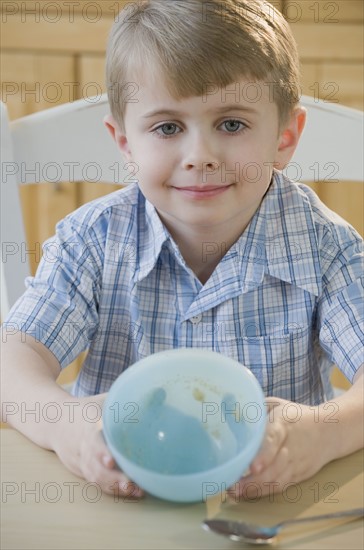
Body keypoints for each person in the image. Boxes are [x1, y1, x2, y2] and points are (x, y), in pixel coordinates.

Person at [1, 0, 363, 501]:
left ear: (285, 137)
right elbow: (12, 360)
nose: (200, 158)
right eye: (168, 128)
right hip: (118, 506)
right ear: (125, 143)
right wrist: (65, 426)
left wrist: (326, 431)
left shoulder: (326, 247)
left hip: (269, 510)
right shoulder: (93, 239)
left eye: (231, 124)